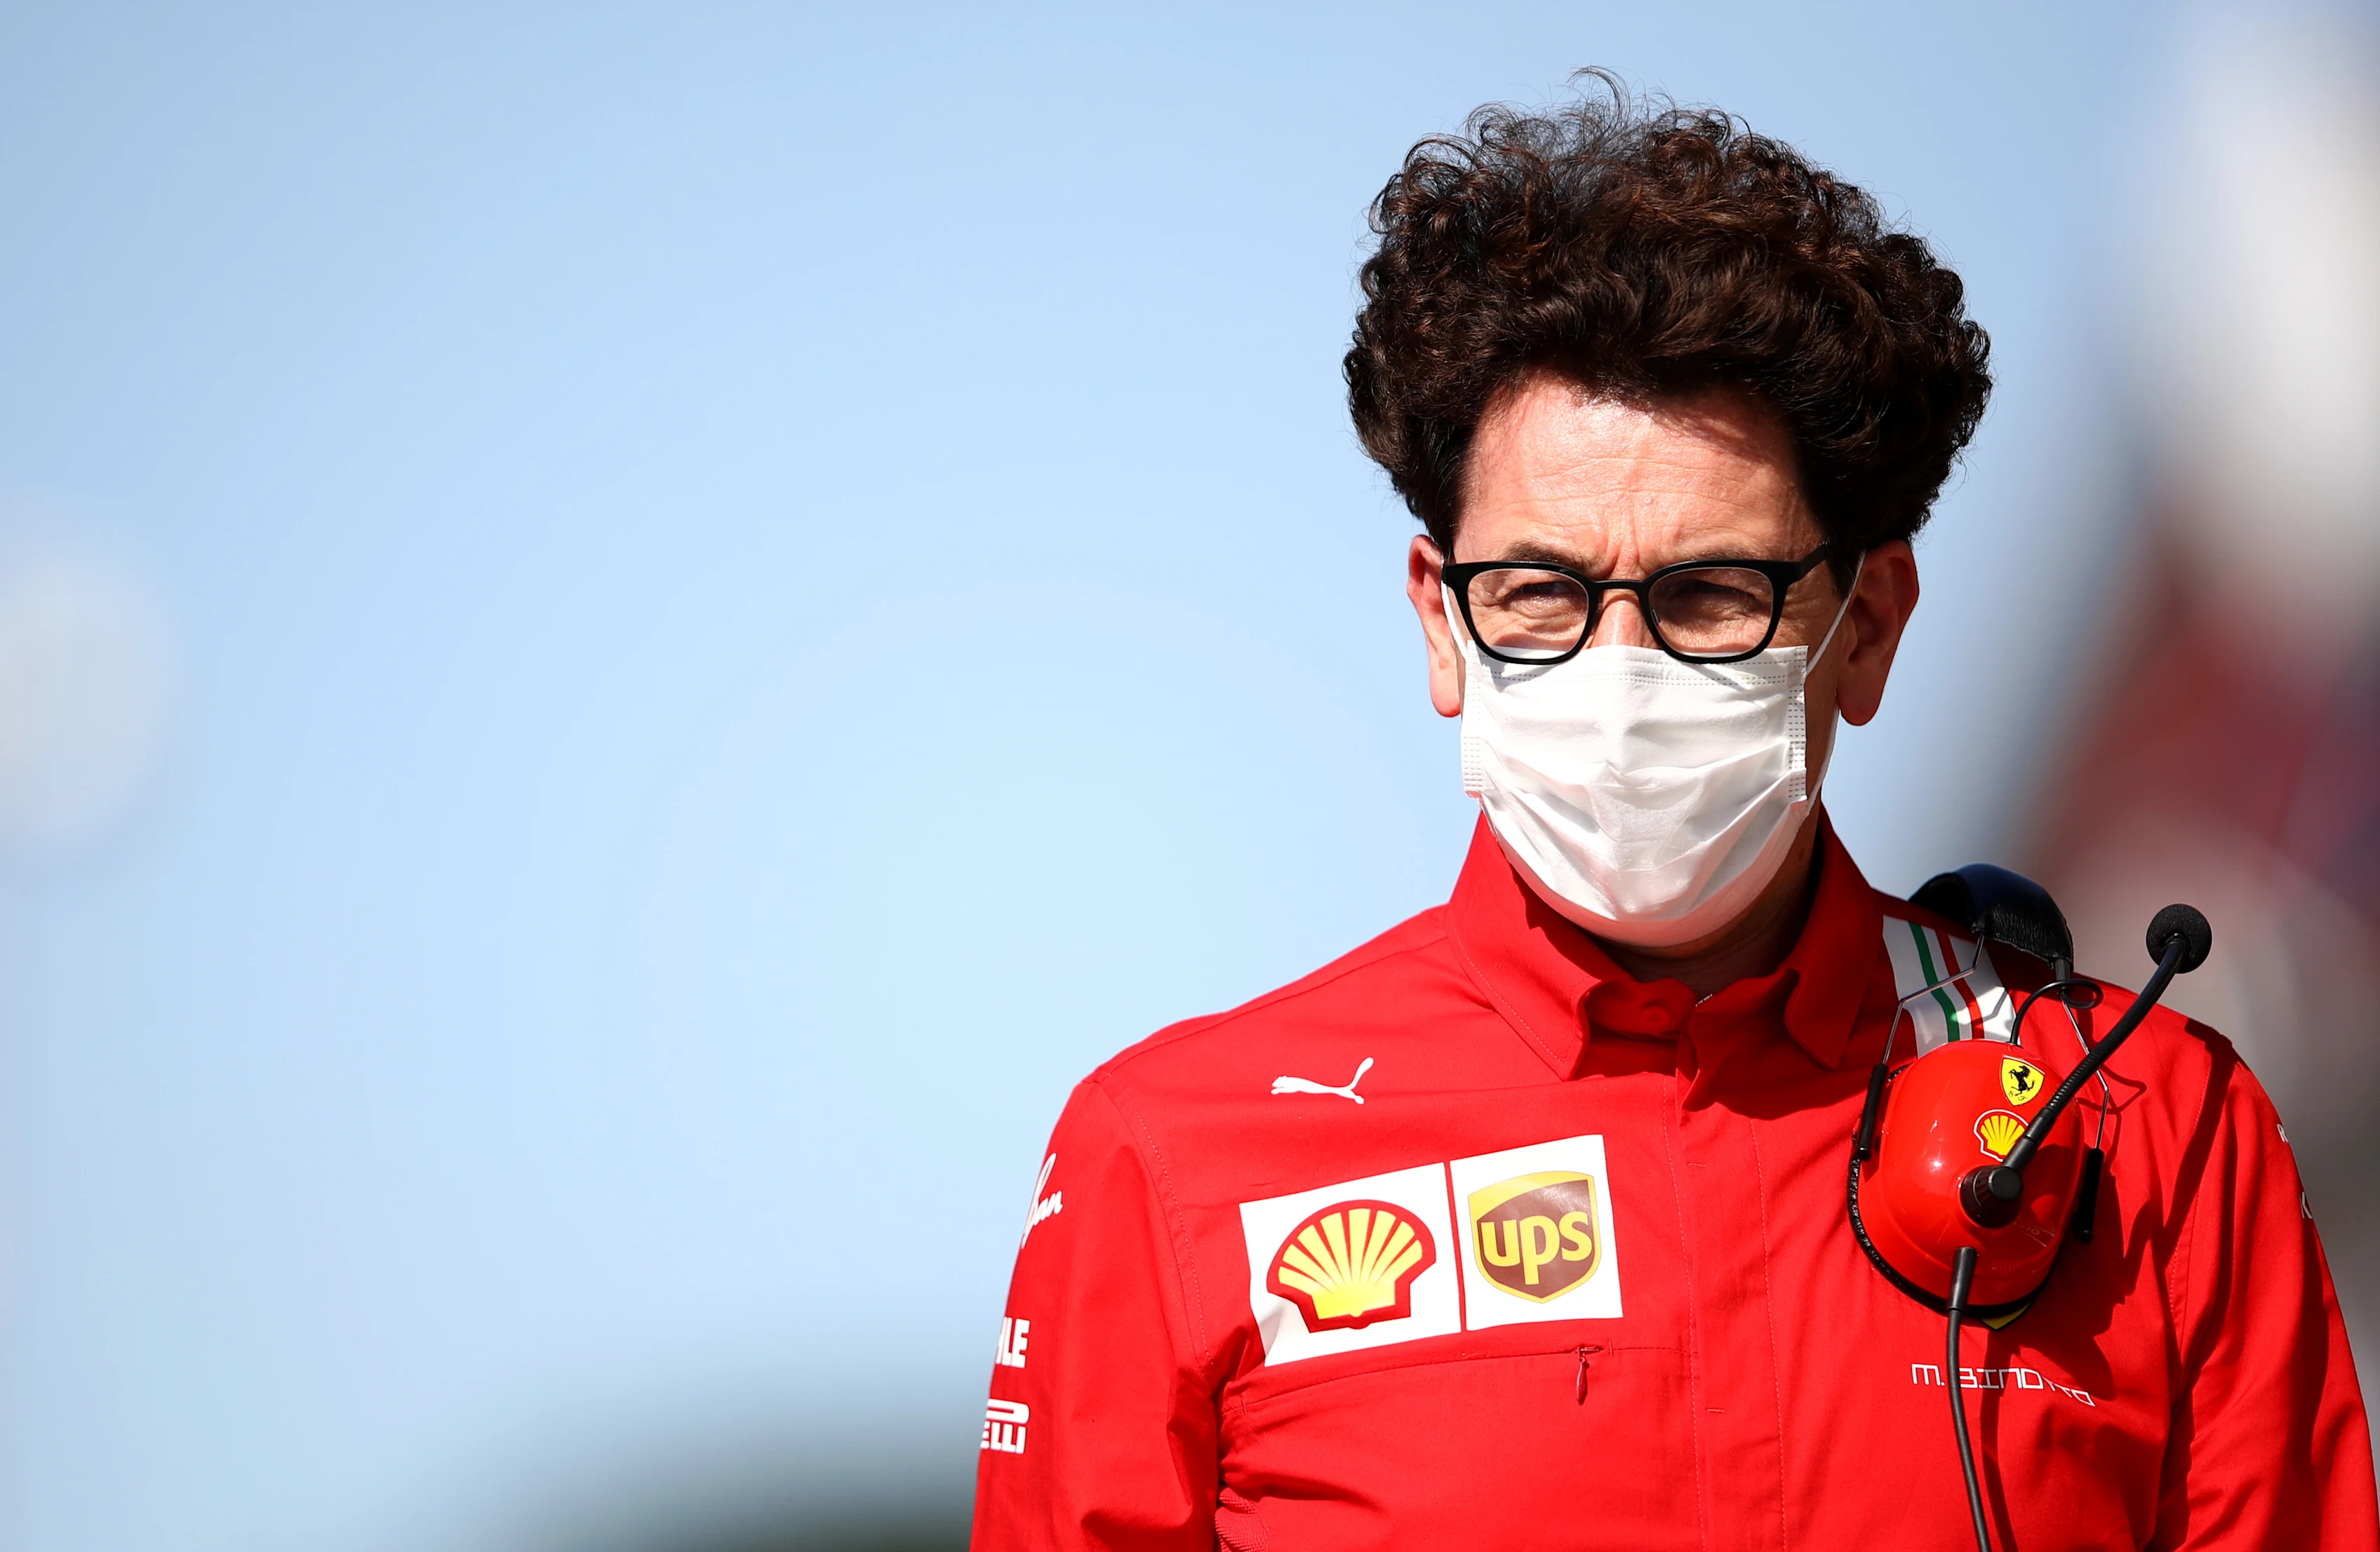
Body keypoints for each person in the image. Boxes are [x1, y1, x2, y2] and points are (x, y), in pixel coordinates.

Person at [968, 83, 2379, 1550]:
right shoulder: (1169, 1158)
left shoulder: (2155, 1129)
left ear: (1870, 625)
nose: (1618, 669)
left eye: (1709, 595)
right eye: (1538, 595)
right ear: (1441, 628)